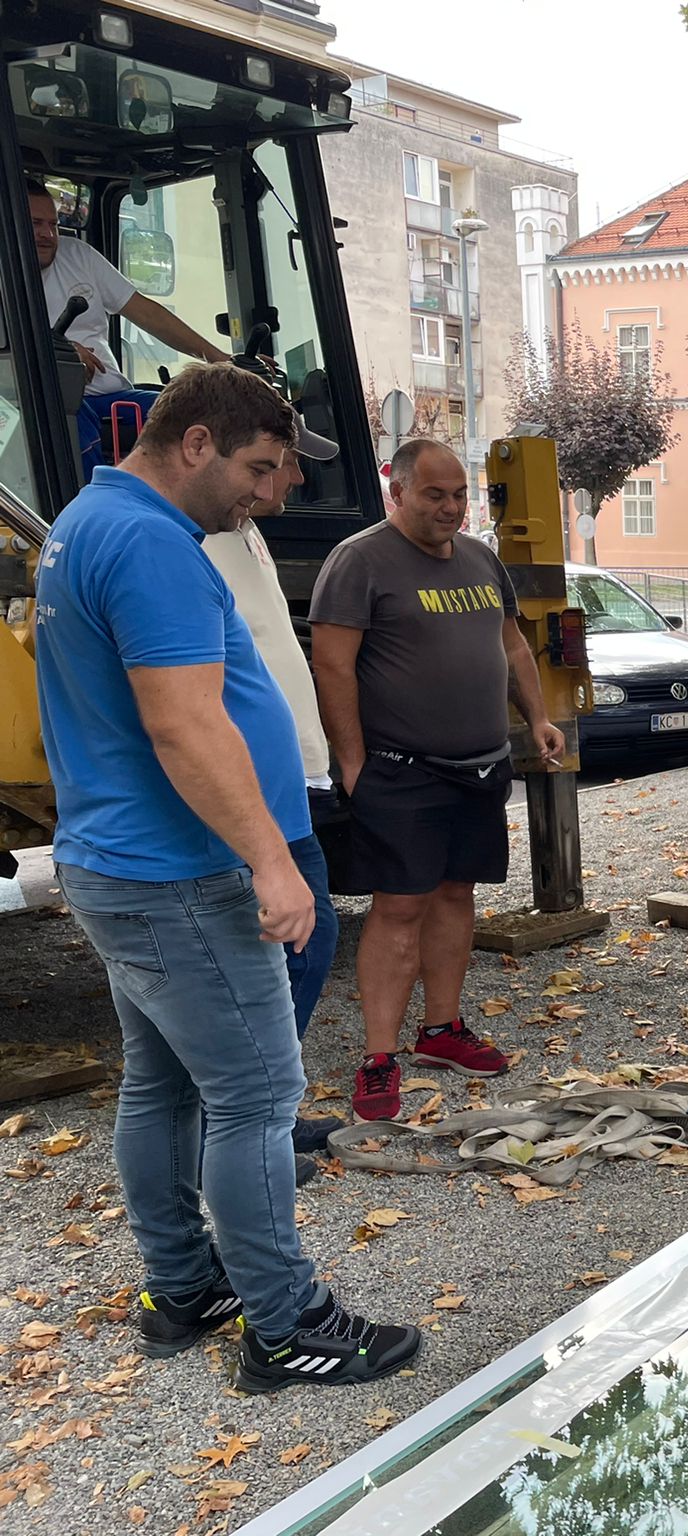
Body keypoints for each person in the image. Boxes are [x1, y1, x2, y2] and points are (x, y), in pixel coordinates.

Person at [35, 363, 419, 1389]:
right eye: (256, 467)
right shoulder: (149, 542)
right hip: (177, 871)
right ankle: (285, 1324)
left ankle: (182, 1285)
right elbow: (182, 722)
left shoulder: (91, 521)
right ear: (194, 443)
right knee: (254, 1093)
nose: (269, 491)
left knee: (163, 1085)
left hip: (125, 861)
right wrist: (269, 861)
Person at [309, 439, 565, 1123]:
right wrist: (353, 760)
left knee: (456, 896)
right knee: (398, 908)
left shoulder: (481, 558)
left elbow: (512, 643)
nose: (451, 508)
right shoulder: (359, 561)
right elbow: (332, 665)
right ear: (398, 491)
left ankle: (442, 1032)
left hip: (480, 767)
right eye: (434, 495)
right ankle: (379, 1057)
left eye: (458, 495)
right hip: (401, 770)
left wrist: (537, 717)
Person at [201, 431, 346, 1173]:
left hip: (291, 781)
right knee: (289, 949)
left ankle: (271, 1110)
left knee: (304, 946)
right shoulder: (198, 539)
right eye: (278, 463)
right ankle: (253, 1126)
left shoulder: (246, 530)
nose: (293, 479)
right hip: (252, 791)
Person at [27, 180, 231, 470]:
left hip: (112, 398)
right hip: (47, 406)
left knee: (196, 410)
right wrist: (57, 351)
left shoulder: (78, 256)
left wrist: (221, 361)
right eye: (35, 224)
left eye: (53, 224)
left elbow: (147, 314)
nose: (47, 234)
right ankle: (91, 507)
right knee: (69, 415)